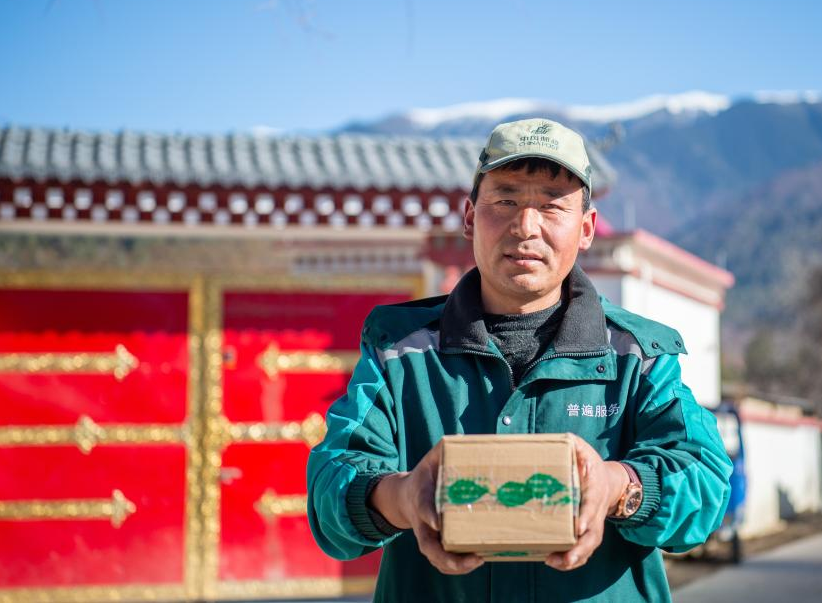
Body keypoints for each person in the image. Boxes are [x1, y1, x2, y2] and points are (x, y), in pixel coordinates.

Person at [306, 118, 733, 602]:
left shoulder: (638, 356)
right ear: (470, 218)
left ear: (586, 229)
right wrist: (403, 497)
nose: (526, 226)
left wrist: (616, 487)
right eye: (505, 201)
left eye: (552, 206)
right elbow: (330, 485)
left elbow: (705, 483)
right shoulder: (400, 350)